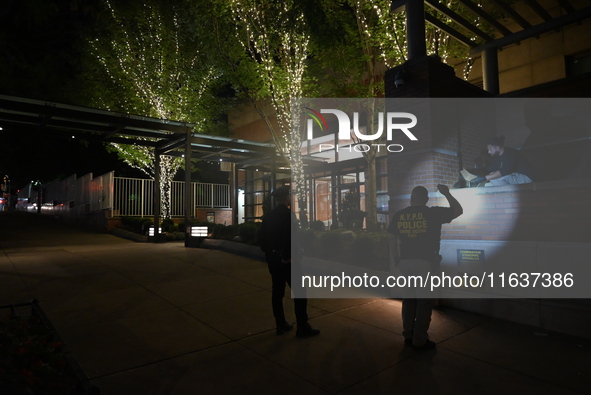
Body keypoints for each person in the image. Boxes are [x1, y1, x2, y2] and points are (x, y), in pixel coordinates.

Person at [388, 184, 463, 350]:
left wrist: (396, 259)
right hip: (425, 263)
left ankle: (408, 334)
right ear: (426, 199)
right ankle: (420, 339)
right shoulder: (433, 213)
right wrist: (447, 194)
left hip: (405, 262)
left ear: (411, 198)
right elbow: (458, 210)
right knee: (424, 302)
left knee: (409, 301)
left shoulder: (400, 215)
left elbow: (392, 238)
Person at [257, 185, 320, 338]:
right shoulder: (289, 215)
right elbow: (290, 237)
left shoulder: (269, 216)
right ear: (286, 198)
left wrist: (269, 254)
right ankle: (302, 326)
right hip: (288, 261)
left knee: (277, 292)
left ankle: (281, 324)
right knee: (300, 292)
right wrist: (286, 256)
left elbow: (260, 238)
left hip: (273, 260)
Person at [469, 136, 535, 187]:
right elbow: (490, 168)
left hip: (526, 178)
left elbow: (504, 172)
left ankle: (508, 194)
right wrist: (476, 173)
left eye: (490, 149)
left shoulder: (510, 153)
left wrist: (484, 178)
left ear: (497, 148)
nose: (489, 152)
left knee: (495, 177)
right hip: (515, 177)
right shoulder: (497, 157)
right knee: (488, 185)